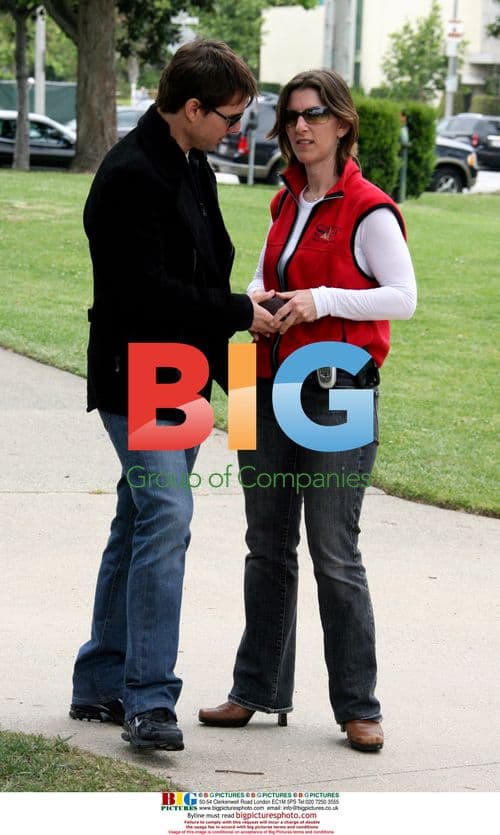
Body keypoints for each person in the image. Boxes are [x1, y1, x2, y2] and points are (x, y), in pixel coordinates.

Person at [198, 69, 417, 752]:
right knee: (265, 544)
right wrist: (257, 297)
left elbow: (402, 296)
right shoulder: (285, 199)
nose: (300, 125)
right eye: (291, 114)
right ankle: (255, 687)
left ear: (343, 122)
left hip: (339, 383)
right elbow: (271, 276)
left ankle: (359, 703)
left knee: (333, 548)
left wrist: (321, 300)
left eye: (315, 113)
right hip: (257, 379)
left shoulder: (370, 208)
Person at [69, 39, 276, 752]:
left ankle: (99, 679)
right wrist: (239, 313)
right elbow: (149, 296)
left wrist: (245, 396)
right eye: (228, 116)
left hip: (181, 377)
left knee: (137, 520)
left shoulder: (193, 165)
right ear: (190, 108)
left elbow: (209, 282)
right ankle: (149, 700)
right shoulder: (131, 174)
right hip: (139, 375)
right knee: (166, 514)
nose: (235, 131)